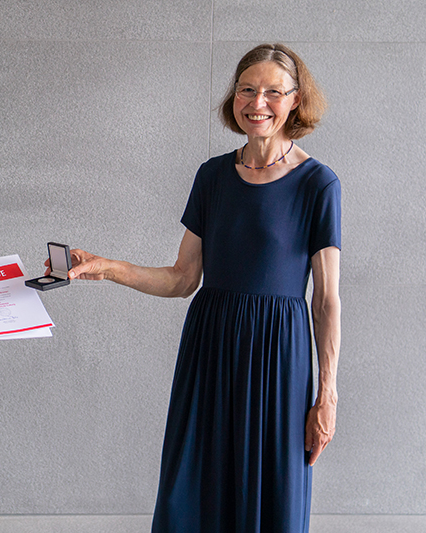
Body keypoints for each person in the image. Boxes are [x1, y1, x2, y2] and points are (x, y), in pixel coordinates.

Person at [65, 44, 340, 532]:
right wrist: (107, 268)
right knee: (195, 488)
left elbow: (325, 299)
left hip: (278, 357)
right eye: (247, 90)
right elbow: (182, 278)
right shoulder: (213, 176)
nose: (258, 102)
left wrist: (327, 395)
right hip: (210, 348)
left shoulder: (318, 184)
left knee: (270, 490)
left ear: (295, 100)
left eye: (274, 92)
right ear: (234, 98)